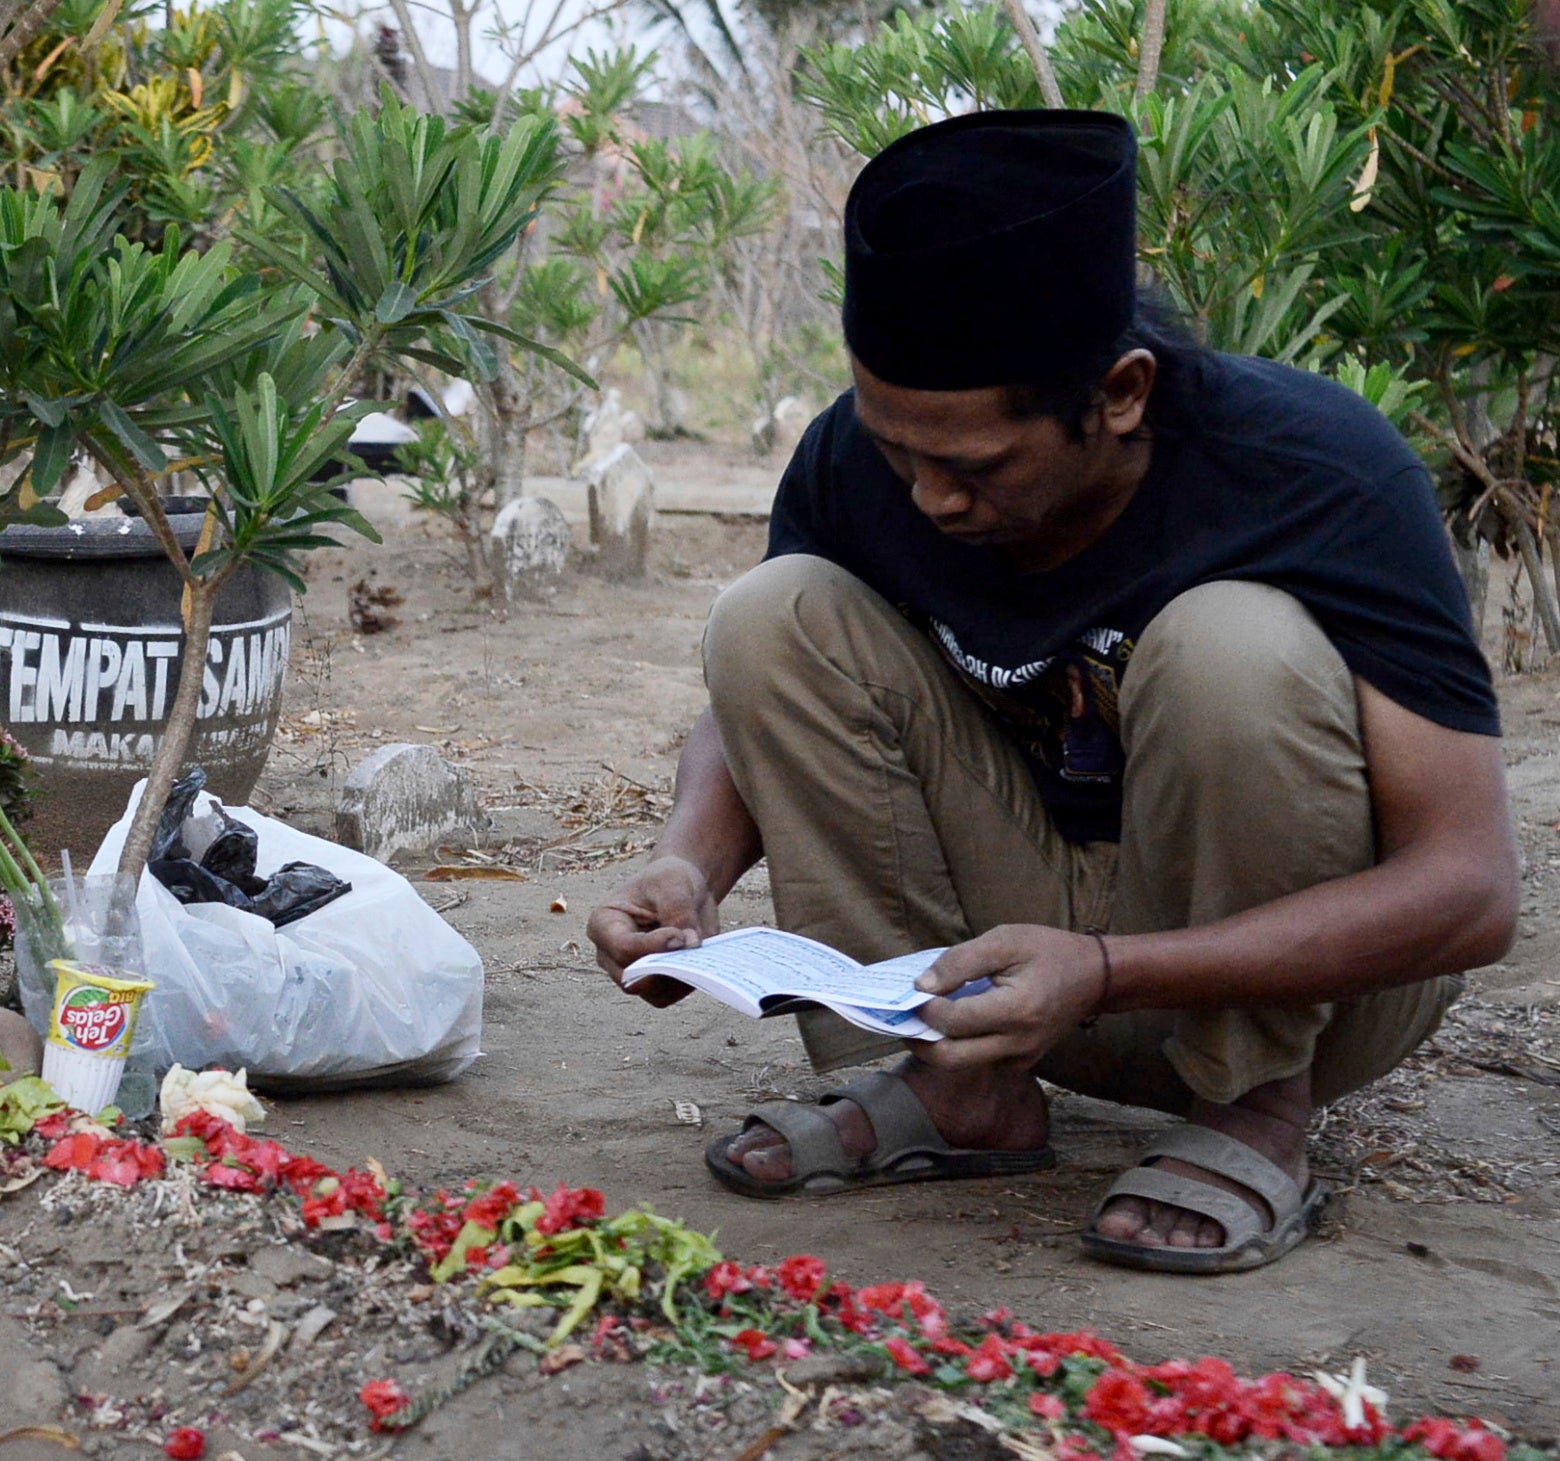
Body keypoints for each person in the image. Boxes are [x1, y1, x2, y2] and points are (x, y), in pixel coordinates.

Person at [588, 108, 1518, 1275]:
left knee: (1229, 643)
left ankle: (1255, 1110)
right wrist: (689, 863)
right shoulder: (859, 458)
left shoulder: (1313, 474)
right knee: (771, 610)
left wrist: (1112, 970)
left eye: (973, 465)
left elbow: (1471, 892)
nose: (929, 500)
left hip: (1299, 982)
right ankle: (961, 1088)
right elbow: (762, 693)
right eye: (898, 453)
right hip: (1008, 983)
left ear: (1119, 393)